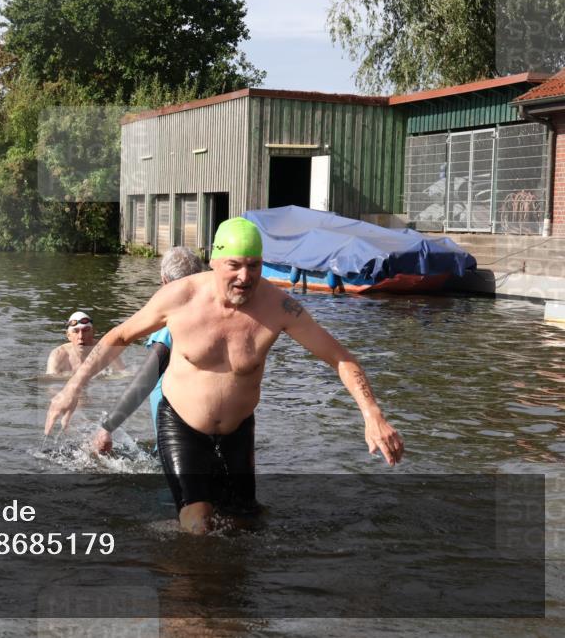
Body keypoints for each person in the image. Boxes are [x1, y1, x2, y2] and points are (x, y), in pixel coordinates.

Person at [45, 217, 405, 534]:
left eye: (254, 265)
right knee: (199, 525)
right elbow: (118, 337)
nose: (245, 277)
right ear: (214, 261)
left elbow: (339, 356)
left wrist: (372, 414)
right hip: (181, 425)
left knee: (245, 524)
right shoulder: (180, 298)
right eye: (235, 265)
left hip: (237, 430)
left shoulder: (279, 307)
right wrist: (72, 389)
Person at [94, 247, 203, 454]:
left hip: (176, 441)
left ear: (164, 282)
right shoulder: (215, 314)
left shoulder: (173, 322)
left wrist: (107, 426)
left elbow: (147, 378)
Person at [45, 311, 125, 377]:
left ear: (93, 332)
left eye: (85, 330)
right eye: (75, 331)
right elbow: (52, 387)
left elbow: (123, 376)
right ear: (68, 335)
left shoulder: (106, 350)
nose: (81, 336)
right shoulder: (58, 355)